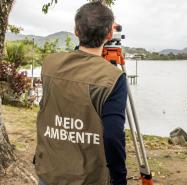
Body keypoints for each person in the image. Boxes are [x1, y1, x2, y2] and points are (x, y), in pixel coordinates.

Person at [35, 2, 127, 185]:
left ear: (76, 31)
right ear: (109, 34)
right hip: (89, 178)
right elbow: (112, 136)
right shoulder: (113, 77)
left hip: (49, 171)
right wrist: (119, 178)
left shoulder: (49, 64)